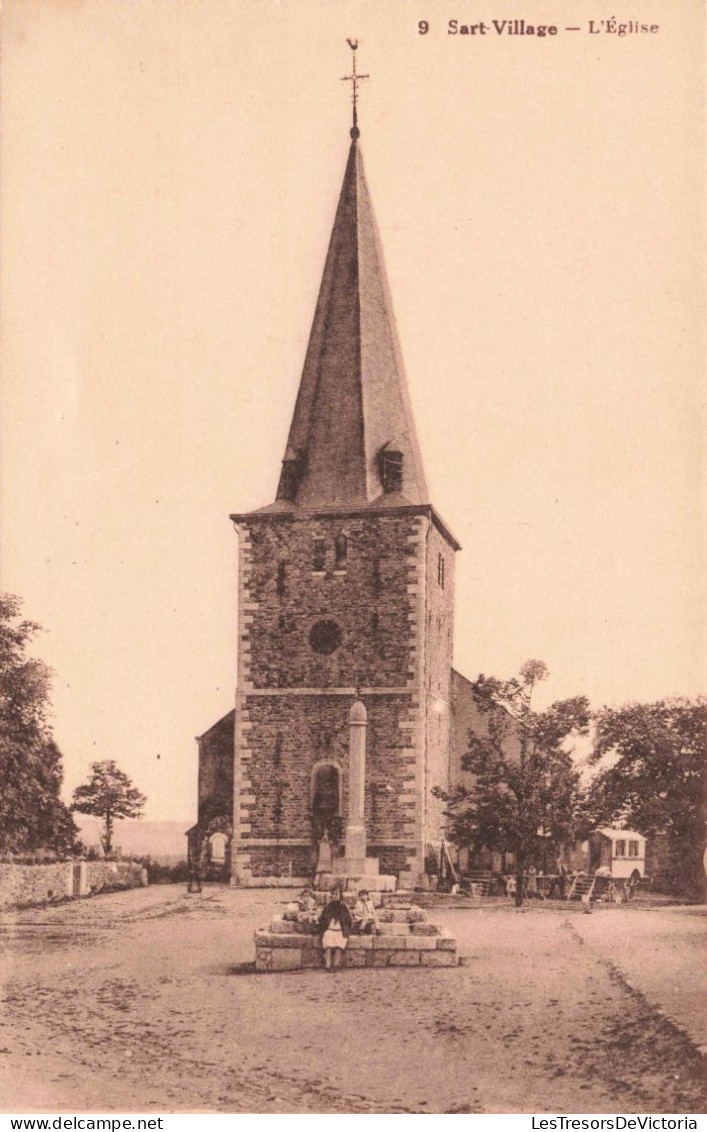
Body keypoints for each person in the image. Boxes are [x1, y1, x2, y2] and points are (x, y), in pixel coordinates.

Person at [318, 885, 352, 970]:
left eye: (337, 894)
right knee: (328, 946)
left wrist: (346, 929)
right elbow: (322, 919)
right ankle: (328, 965)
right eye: (333, 894)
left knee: (339, 947)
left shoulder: (344, 907)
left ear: (340, 896)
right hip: (329, 930)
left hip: (340, 931)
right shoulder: (328, 907)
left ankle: (336, 964)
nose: (334, 896)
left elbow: (348, 920)